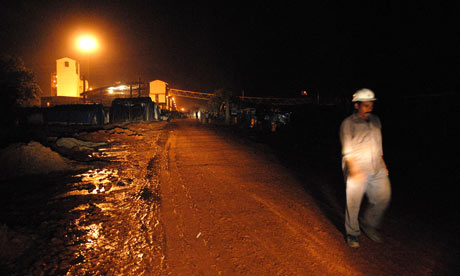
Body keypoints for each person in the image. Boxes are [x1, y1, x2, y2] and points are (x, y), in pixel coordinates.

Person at [339, 88, 391, 248]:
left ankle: (368, 224)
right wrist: (354, 170)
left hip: (376, 167)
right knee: (353, 204)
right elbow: (347, 151)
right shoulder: (348, 124)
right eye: (366, 105)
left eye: (371, 105)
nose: (369, 108)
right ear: (356, 105)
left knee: (383, 197)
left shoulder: (376, 121)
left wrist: (383, 163)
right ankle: (352, 233)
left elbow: (379, 144)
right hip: (356, 167)